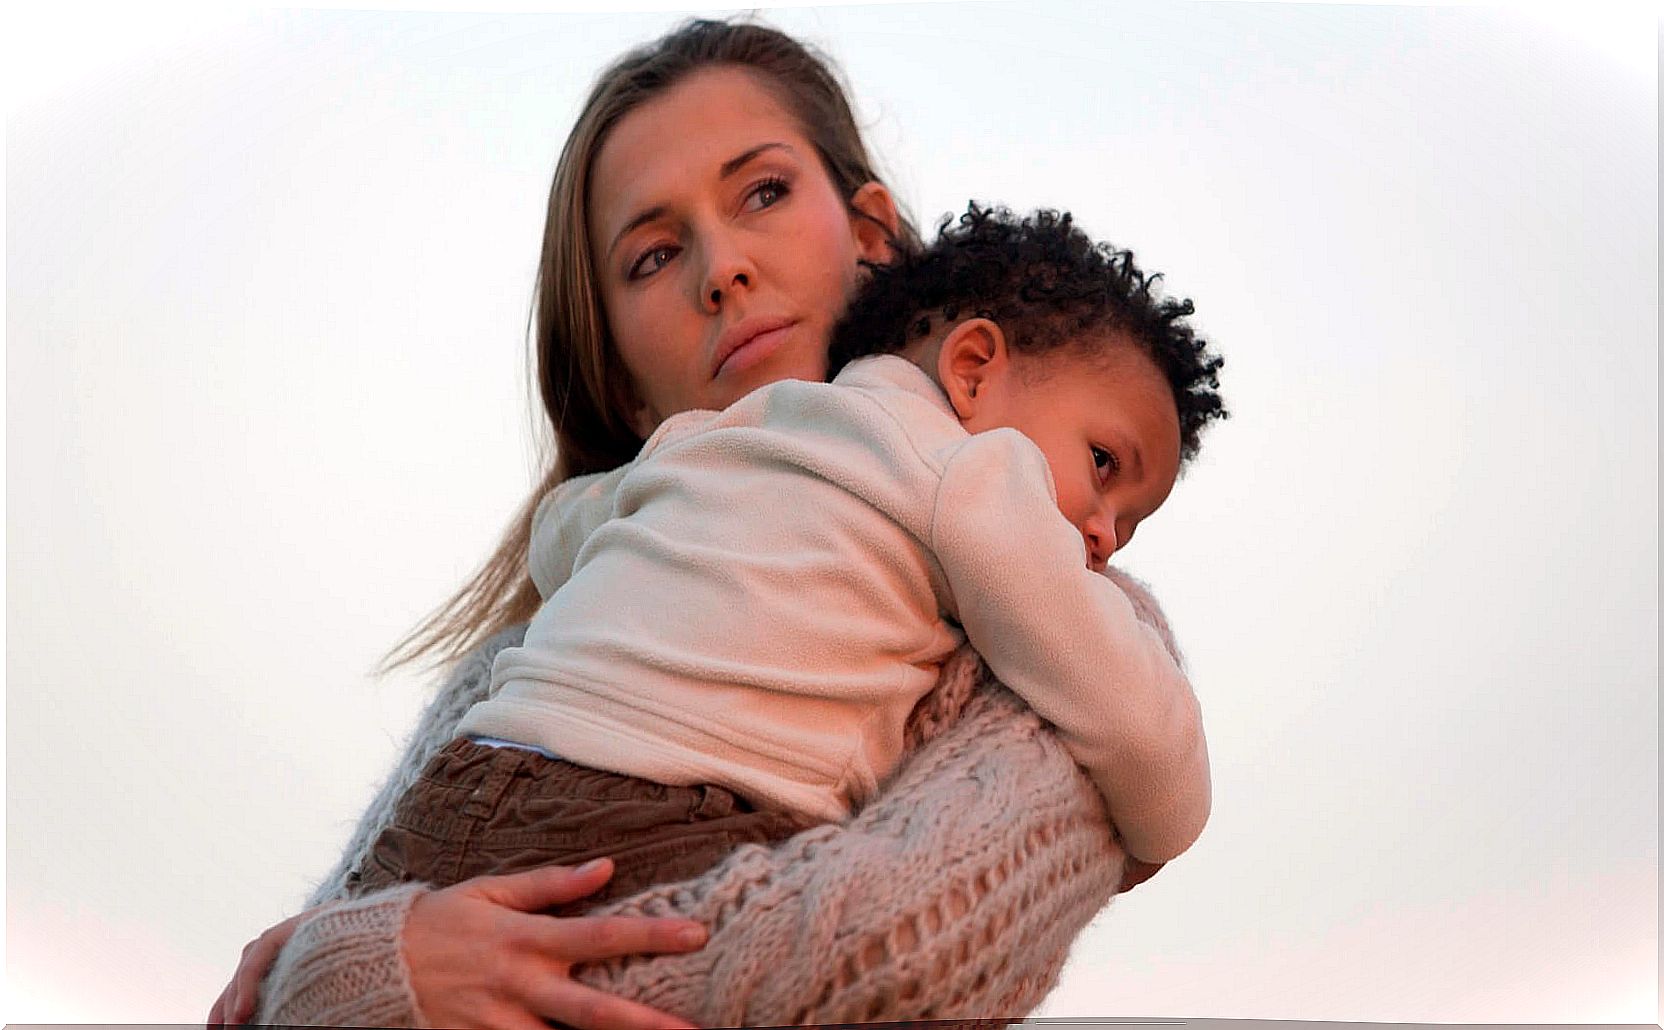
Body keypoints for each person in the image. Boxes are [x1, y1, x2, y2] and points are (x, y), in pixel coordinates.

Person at [209, 19, 1219, 1030]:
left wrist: (353, 976)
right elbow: (273, 998)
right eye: (651, 255)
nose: (720, 268)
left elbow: (883, 968)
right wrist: (369, 963)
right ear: (625, 388)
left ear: (871, 238)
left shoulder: (1072, 644)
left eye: (764, 193)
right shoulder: (519, 659)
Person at [349, 202, 1224, 916]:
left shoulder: (728, 432)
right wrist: (1151, 823)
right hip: (662, 818)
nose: (1105, 533)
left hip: (459, 790)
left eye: (1130, 524)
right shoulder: (973, 477)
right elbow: (1142, 729)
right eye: (1104, 466)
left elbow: (562, 529)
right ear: (970, 370)